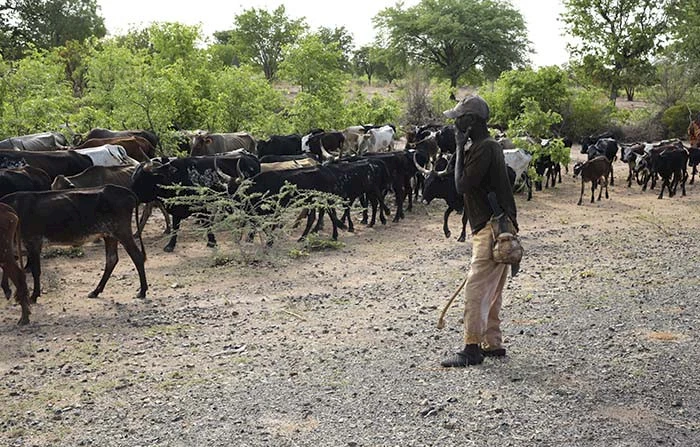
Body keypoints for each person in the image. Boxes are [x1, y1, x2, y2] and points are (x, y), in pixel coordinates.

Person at [440, 94, 519, 367]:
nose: (455, 125)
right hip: (500, 224)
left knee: (476, 287)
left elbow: (461, 185)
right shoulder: (490, 146)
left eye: (459, 120)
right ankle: (492, 343)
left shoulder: (483, 148)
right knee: (493, 288)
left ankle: (472, 348)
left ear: (470, 122)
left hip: (490, 226)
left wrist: (460, 148)